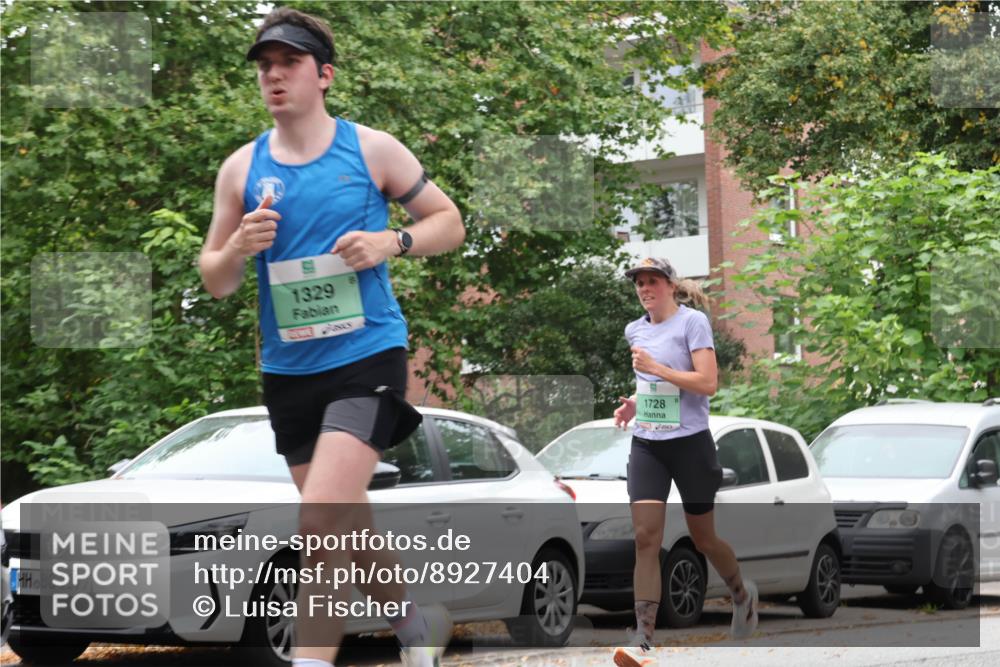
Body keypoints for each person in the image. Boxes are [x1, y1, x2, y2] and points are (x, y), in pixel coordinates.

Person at [198, 8, 464, 667]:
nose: (274, 76)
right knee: (346, 520)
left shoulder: (371, 149)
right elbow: (215, 279)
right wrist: (237, 246)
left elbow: (448, 222)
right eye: (265, 66)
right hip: (289, 371)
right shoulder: (241, 169)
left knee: (319, 521)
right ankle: (414, 619)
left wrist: (391, 240)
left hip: (366, 355)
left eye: (288, 63)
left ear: (324, 74)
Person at [611, 258, 757, 667]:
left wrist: (657, 368)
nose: (645, 288)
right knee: (645, 538)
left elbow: (706, 382)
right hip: (648, 444)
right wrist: (634, 404)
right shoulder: (635, 329)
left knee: (703, 538)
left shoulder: (692, 323)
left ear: (670, 285)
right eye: (639, 282)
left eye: (652, 281)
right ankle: (642, 639)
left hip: (690, 444)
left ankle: (742, 596)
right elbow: (653, 384)